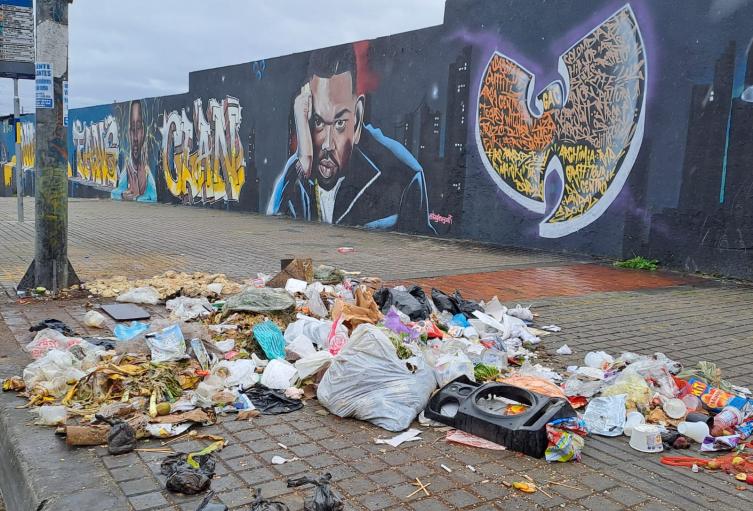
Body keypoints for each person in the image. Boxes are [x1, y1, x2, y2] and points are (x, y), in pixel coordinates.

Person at [268, 44, 435, 234]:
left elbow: (418, 247)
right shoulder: (295, 172)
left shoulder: (405, 177)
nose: (328, 144)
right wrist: (303, 158)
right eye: (318, 121)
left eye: (339, 123)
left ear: (357, 116)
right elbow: (280, 235)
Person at [112, 100, 156, 202]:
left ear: (144, 131)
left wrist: (137, 197)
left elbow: (153, 196)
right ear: (129, 133)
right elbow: (115, 192)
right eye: (132, 128)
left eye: (139, 128)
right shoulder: (128, 169)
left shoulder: (147, 172)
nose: (135, 137)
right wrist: (123, 195)